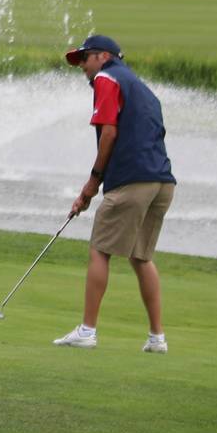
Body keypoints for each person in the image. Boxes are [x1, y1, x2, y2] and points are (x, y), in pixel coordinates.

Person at [51, 34, 176, 353]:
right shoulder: (141, 88)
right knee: (140, 256)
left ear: (102, 56)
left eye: (85, 58)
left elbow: (109, 132)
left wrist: (92, 184)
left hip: (132, 180)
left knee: (100, 249)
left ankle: (87, 331)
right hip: (162, 182)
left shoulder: (106, 79)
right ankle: (157, 338)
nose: (82, 66)